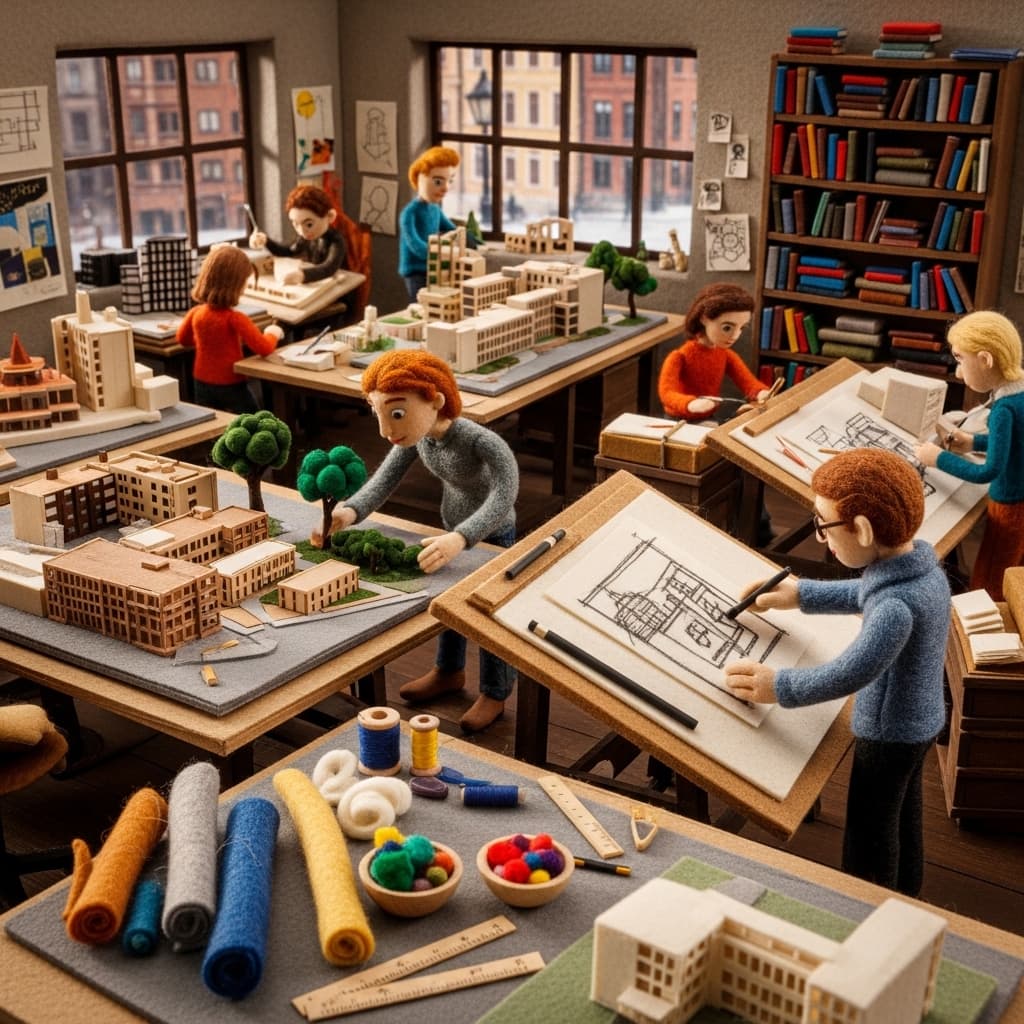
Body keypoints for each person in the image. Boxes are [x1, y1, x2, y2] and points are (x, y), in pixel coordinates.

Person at [724, 448, 949, 897]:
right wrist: (799, 594)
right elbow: (865, 591)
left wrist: (778, 685)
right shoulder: (922, 572)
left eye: (824, 526)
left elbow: (849, 673)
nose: (822, 538)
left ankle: (867, 904)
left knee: (870, 828)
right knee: (903, 814)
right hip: (921, 721)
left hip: (888, 731)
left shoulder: (895, 607)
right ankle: (907, 896)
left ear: (863, 530)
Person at [312, 349, 519, 733]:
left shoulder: (478, 440)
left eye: (396, 413)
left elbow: (506, 491)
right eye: (378, 414)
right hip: (450, 531)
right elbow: (384, 480)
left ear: (435, 401)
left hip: (492, 535)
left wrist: (463, 537)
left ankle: (495, 690)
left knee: (488, 613)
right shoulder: (419, 438)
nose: (386, 429)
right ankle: (449, 671)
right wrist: (349, 511)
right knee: (449, 605)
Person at [915, 310, 1024, 601]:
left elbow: (988, 472)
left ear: (986, 360)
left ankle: (982, 624)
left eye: (961, 359)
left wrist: (937, 458)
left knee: (992, 574)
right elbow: (1015, 442)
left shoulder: (1003, 409)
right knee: (1014, 567)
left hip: (1009, 502)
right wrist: (972, 441)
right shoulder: (1019, 393)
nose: (959, 372)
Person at [176, 246, 283, 413]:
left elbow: (183, 339)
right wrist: (273, 333)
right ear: (234, 285)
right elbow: (264, 347)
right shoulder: (234, 318)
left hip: (201, 380)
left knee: (211, 424)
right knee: (253, 422)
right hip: (231, 381)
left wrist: (206, 341)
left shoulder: (196, 313)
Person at [658, 282, 768, 421]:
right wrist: (690, 403)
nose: (735, 336)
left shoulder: (725, 355)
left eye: (741, 328)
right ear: (704, 318)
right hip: (678, 419)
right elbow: (667, 392)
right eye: (727, 328)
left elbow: (747, 382)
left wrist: (760, 392)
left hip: (708, 416)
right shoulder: (679, 357)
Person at [249, 184, 346, 285]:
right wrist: (266, 241)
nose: (302, 232)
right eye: (296, 224)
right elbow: (288, 251)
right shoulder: (305, 237)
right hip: (317, 282)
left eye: (309, 224)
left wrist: (303, 275)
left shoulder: (337, 241)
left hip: (337, 284)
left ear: (330, 216)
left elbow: (329, 268)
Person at [398, 146, 461, 302]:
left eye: (450, 180)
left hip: (434, 268)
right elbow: (416, 246)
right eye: (438, 181)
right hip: (416, 270)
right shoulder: (409, 213)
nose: (446, 188)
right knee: (420, 304)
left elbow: (451, 228)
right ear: (420, 179)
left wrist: (469, 238)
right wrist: (439, 253)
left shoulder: (435, 208)